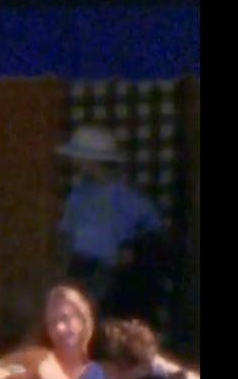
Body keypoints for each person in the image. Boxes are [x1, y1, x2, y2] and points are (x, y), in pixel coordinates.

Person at [58, 125, 163, 314]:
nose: (75, 163)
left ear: (91, 161)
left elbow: (152, 233)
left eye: (79, 159)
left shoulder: (128, 198)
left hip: (114, 273)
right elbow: (68, 235)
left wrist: (133, 253)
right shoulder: (78, 194)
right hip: (81, 268)